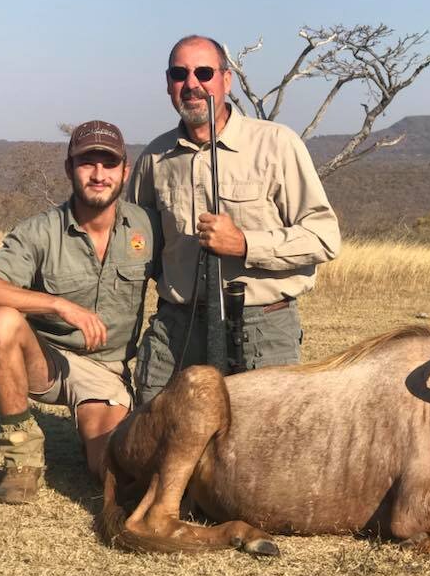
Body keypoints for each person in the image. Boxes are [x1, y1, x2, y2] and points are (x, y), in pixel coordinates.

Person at [128, 34, 340, 404]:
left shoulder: (277, 145)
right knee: (151, 450)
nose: (191, 84)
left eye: (204, 72)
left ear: (226, 80)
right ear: (168, 84)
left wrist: (245, 244)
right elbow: (134, 248)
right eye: (180, 74)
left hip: (262, 327)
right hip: (177, 327)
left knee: (259, 455)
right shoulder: (154, 158)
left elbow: (323, 238)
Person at [0, 120, 160, 504]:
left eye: (108, 164)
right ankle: (22, 456)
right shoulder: (40, 230)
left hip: (106, 372)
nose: (98, 175)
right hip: (47, 362)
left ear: (125, 170)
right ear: (70, 169)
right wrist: (58, 304)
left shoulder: (148, 227)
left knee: (111, 472)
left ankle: (102, 424)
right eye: (87, 163)